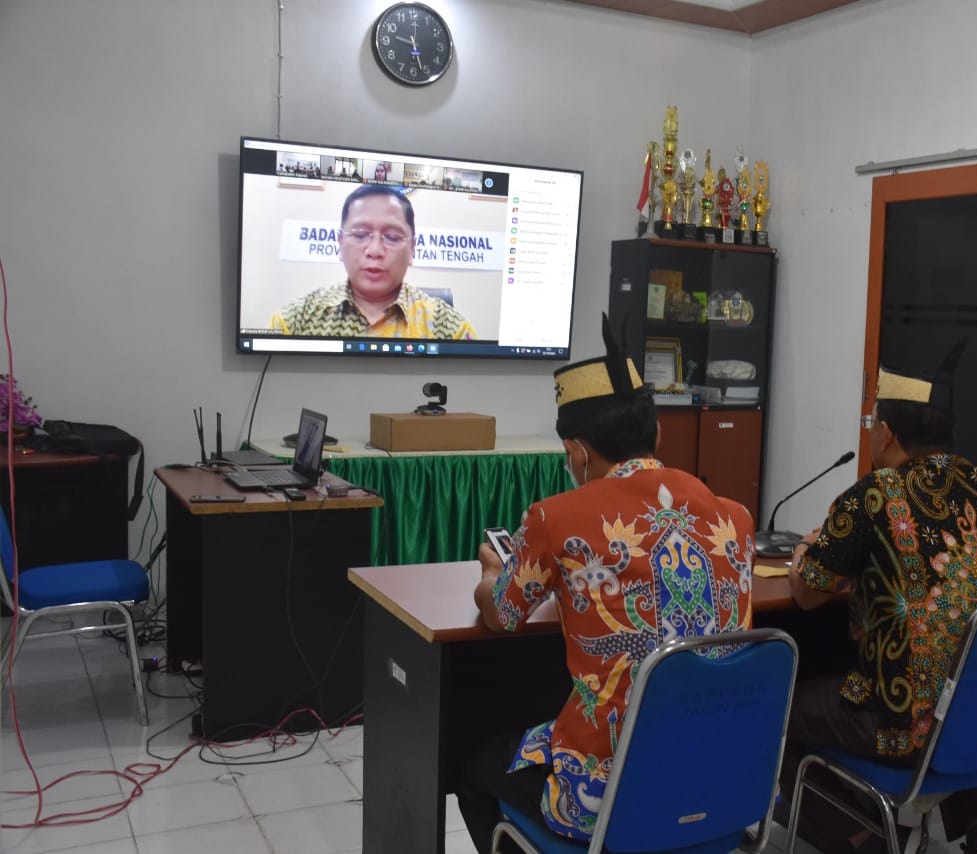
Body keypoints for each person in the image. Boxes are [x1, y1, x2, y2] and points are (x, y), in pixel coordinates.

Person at [457, 315, 756, 850]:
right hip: (721, 779)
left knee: (473, 763)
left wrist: (490, 574)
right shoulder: (735, 516)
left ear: (577, 450)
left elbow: (501, 616)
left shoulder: (557, 517)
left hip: (608, 795)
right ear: (657, 432)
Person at [783, 345, 977, 854]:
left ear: (888, 433)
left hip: (897, 719)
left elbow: (806, 594)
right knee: (953, 667)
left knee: (781, 702)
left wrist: (805, 549)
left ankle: (859, 837)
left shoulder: (876, 494)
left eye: (873, 422)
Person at [269, 184, 476, 339]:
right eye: (360, 235)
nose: (375, 250)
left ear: (412, 248)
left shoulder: (451, 329)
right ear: (340, 243)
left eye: (393, 237)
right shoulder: (293, 322)